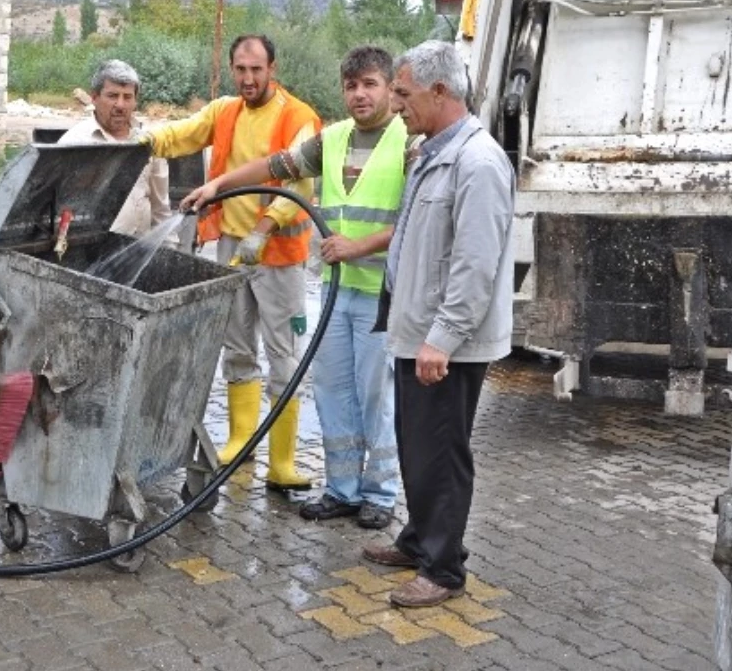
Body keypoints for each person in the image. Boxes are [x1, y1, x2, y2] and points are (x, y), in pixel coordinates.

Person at [182, 46, 409, 529]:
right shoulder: (334, 139)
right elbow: (273, 167)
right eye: (351, 86)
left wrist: (360, 246)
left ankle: (381, 493)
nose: (360, 94)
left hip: (382, 294)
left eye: (370, 84)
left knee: (375, 396)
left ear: (391, 87)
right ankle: (343, 488)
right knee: (332, 390)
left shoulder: (410, 141)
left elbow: (417, 216)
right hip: (335, 289)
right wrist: (218, 184)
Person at [361, 40, 515, 608]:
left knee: (442, 454)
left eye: (403, 92)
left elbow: (476, 266)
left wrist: (441, 339)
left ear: (440, 91)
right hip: (417, 333)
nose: (395, 103)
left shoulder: (478, 163)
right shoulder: (432, 151)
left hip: (444, 344)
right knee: (416, 447)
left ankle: (444, 569)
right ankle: (418, 538)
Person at [142, 34, 320, 492]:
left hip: (279, 253)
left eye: (256, 70)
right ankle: (242, 441)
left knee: (283, 353)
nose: (248, 79)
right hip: (230, 248)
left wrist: (266, 227)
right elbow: (183, 133)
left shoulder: (298, 117)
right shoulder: (225, 111)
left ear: (273, 68)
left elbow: (300, 182)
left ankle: (282, 461)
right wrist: (143, 143)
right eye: (240, 70)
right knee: (237, 346)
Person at [58, 59, 172, 239]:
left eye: (127, 97)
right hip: (87, 254)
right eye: (112, 96)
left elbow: (161, 209)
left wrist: (169, 250)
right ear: (94, 98)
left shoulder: (149, 142)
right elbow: (59, 212)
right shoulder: (74, 143)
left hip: (137, 252)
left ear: (135, 101)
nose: (120, 105)